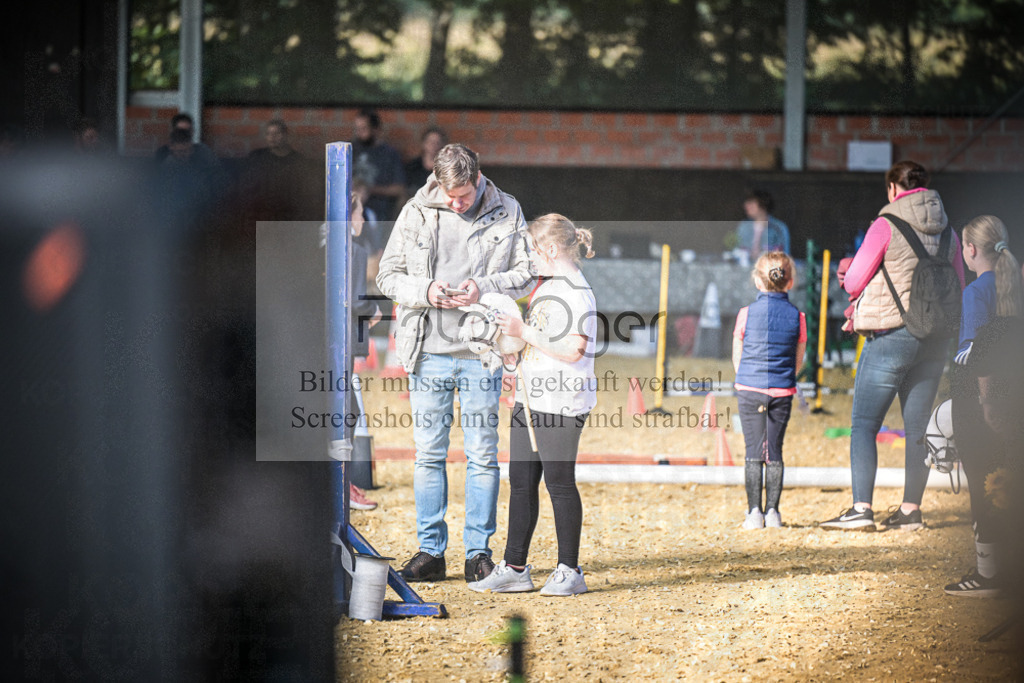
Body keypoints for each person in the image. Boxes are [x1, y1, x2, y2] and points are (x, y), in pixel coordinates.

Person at [376, 143, 531, 583]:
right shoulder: (416, 210)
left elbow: (526, 272)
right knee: (429, 455)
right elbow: (387, 275)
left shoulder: (507, 210)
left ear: (478, 177)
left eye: (463, 195)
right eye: (449, 195)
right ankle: (430, 551)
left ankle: (478, 554)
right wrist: (425, 291)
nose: (456, 203)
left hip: (482, 355)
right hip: (427, 352)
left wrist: (484, 286)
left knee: (483, 455)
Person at [821, 160, 964, 531]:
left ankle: (861, 509)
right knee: (918, 429)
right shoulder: (949, 231)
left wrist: (847, 269)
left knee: (864, 425)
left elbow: (854, 281)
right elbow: (959, 284)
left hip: (891, 334)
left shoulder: (886, 224)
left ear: (892, 189)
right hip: (935, 338)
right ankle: (910, 511)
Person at [467, 214, 597, 596]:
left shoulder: (576, 291)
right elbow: (539, 338)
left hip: (561, 400)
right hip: (531, 396)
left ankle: (570, 570)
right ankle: (514, 568)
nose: (530, 258)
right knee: (521, 483)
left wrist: (522, 331)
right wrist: (513, 352)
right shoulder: (547, 287)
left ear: (551, 249)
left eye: (533, 250)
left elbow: (574, 349)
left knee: (559, 483)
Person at [945, 216, 1024, 596]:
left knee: (984, 482)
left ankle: (988, 573)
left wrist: (985, 401)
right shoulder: (1015, 283)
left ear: (971, 250)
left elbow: (978, 354)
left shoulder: (976, 292)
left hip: (982, 398)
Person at [731, 252, 806, 530]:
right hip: (782, 390)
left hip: (749, 388)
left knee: (753, 450)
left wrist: (744, 378)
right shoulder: (798, 316)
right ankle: (773, 512)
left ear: (757, 281)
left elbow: (737, 354)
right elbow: (798, 360)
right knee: (774, 450)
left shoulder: (745, 314)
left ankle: (754, 513)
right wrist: (783, 379)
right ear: (790, 282)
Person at [244, 118, 313, 220]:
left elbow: (301, 193)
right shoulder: (257, 157)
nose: (272, 137)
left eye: (277, 133)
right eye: (268, 134)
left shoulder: (297, 160)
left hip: (288, 214)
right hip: (263, 213)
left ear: (285, 135)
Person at [352, 109, 406, 227]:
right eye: (357, 129)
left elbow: (399, 189)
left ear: (375, 129)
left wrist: (369, 190)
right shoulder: (349, 150)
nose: (359, 133)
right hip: (351, 209)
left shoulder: (389, 154)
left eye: (364, 129)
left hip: (379, 212)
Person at [735, 189, 790, 258]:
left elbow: (783, 255)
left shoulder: (778, 228)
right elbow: (737, 249)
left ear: (763, 205)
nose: (746, 206)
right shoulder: (744, 226)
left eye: (751, 203)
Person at [404, 127, 448, 195]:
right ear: (424, 144)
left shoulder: (448, 168)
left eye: (437, 142)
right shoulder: (413, 166)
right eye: (430, 142)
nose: (434, 145)